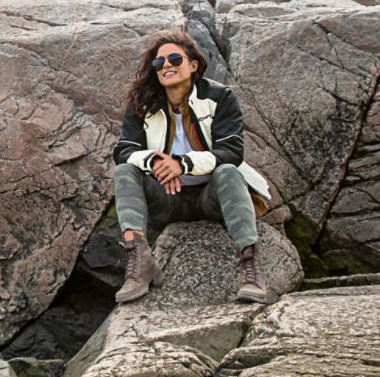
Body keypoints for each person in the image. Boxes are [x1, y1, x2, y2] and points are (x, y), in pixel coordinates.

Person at [111, 31, 274, 304]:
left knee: (228, 171)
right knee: (124, 171)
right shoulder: (143, 104)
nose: (166, 65)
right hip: (167, 199)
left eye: (175, 58)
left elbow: (231, 151)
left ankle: (251, 268)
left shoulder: (220, 97)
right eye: (159, 62)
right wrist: (155, 162)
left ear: (193, 64)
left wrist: (182, 164)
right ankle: (140, 262)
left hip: (212, 198)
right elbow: (124, 150)